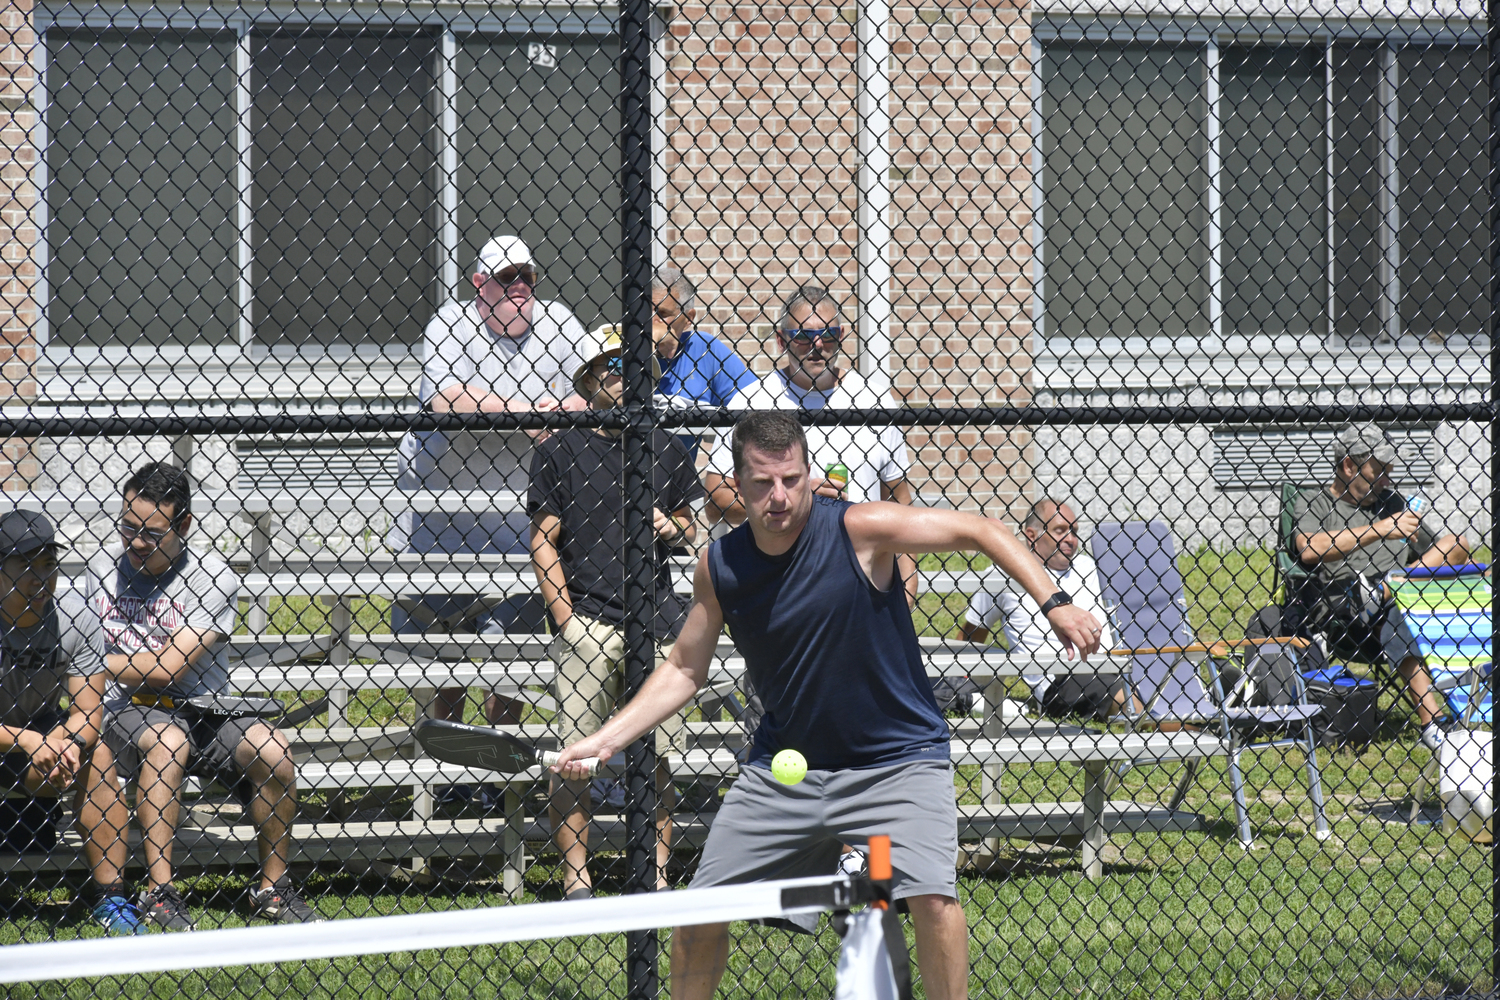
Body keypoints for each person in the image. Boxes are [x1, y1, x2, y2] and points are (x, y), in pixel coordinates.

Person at [551, 411, 1103, 1000]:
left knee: (935, 900)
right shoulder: (721, 565)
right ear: (736, 485)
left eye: (791, 479)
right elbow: (686, 668)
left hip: (898, 762)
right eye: (763, 484)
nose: (780, 496)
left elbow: (983, 529)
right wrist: (605, 738)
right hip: (785, 769)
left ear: (809, 473)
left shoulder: (861, 529)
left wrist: (1055, 602)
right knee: (702, 908)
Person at [88, 462, 320, 928]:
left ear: (184, 526)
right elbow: (138, 674)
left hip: (202, 711)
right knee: (166, 742)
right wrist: (97, 669)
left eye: (151, 533)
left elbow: (168, 669)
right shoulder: (102, 568)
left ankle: (272, 889)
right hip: (125, 710)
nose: (135, 542)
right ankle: (160, 891)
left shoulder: (213, 577)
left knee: (273, 750)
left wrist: (93, 664)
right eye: (128, 527)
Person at [392, 234, 589, 755]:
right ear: (480, 285)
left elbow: (590, 389)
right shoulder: (451, 322)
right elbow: (446, 397)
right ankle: (452, 759)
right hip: (440, 517)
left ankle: (499, 765)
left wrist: (555, 407)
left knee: (512, 653)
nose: (520, 286)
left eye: (527, 276)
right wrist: (528, 412)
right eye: (507, 278)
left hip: (514, 515)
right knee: (445, 653)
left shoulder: (558, 320)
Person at [528, 323, 704, 899]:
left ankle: (651, 878)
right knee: (575, 759)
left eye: (631, 367)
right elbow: (543, 539)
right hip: (592, 622)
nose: (622, 377)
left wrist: (671, 526)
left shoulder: (668, 447)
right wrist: (566, 619)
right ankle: (577, 880)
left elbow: (690, 525)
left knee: (657, 761)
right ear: (587, 379)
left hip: (655, 619)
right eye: (608, 367)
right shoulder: (561, 450)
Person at [703, 283, 918, 606]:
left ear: (842, 335)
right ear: (781, 340)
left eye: (828, 335)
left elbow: (900, 502)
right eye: (802, 337)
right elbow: (715, 500)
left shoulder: (873, 400)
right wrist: (799, 500)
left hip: (864, 584)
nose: (817, 345)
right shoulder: (752, 401)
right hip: (780, 585)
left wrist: (908, 590)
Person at [0, 510, 144, 935]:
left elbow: (87, 714)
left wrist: (65, 742)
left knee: (96, 753)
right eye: (24, 566)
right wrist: (27, 740)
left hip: (41, 737)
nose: (40, 579)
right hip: (20, 738)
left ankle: (111, 897)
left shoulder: (76, 616)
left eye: (48, 566)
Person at [1286, 422, 1470, 750]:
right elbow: (1310, 549)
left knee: (1457, 542)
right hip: (1346, 609)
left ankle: (1390, 586)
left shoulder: (1391, 502)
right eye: (1379, 470)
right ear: (1347, 466)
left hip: (1405, 591)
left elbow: (1451, 550)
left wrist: (1406, 575)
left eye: (1389, 471)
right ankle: (1435, 725)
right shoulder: (1314, 503)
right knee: (1402, 614)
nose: (1386, 479)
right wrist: (1381, 529)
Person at [960, 498, 1137, 719]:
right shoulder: (1002, 576)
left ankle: (1178, 724)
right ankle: (1185, 729)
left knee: (1144, 686)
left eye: (1074, 531)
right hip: (1062, 676)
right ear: (1031, 535)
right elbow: (972, 633)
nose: (1071, 539)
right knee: (1129, 701)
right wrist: (960, 681)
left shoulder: (1091, 568)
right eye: (1060, 530)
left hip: (1114, 662)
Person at [649, 264, 758, 426]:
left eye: (662, 314)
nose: (651, 320)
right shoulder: (618, 346)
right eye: (646, 311)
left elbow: (756, 401)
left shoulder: (702, 348)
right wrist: (649, 343)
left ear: (688, 318)